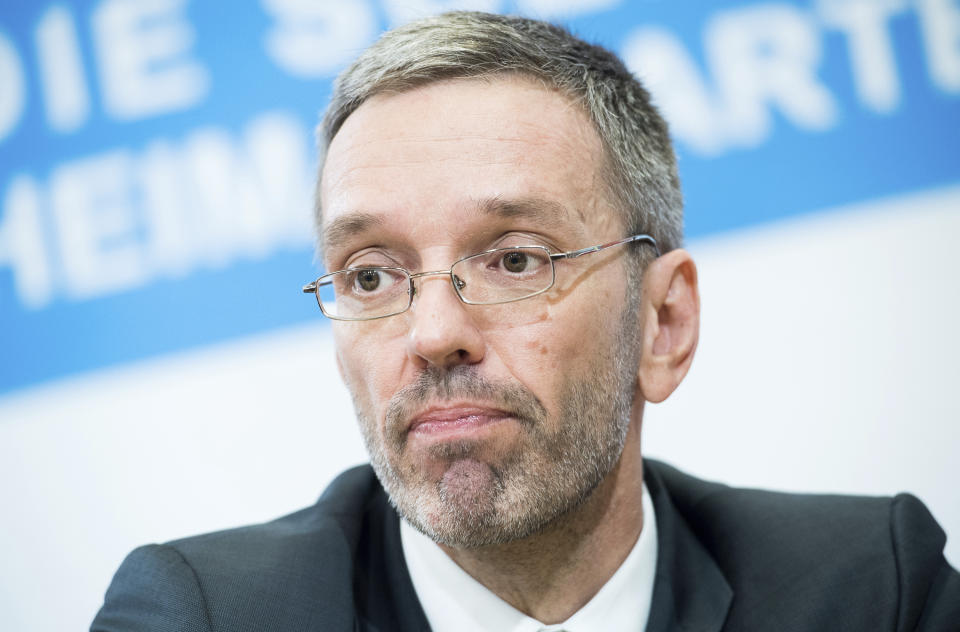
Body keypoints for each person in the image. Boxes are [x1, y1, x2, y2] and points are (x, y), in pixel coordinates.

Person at [92, 11, 960, 632]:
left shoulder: (871, 590)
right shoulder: (204, 615)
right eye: (370, 275)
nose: (433, 334)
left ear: (663, 322)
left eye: (514, 260)